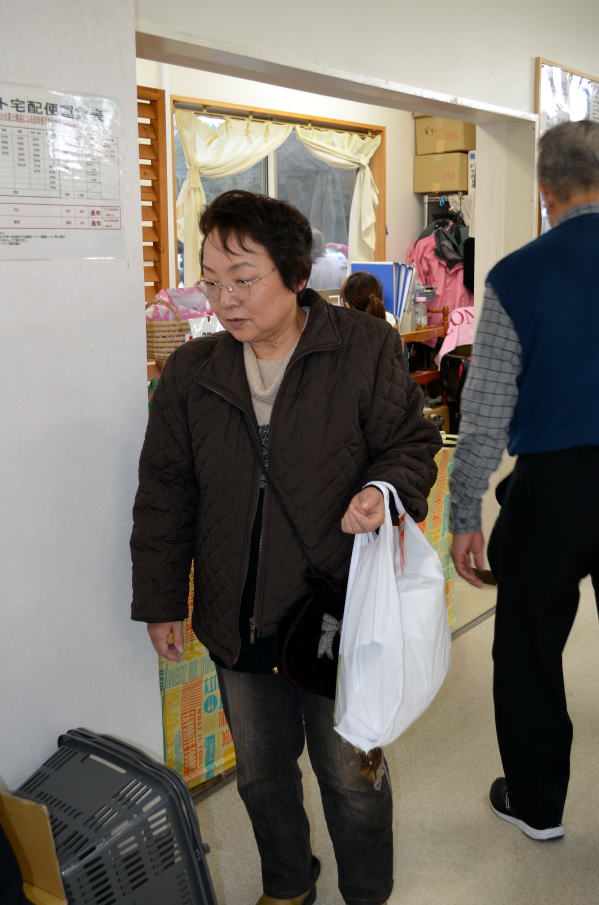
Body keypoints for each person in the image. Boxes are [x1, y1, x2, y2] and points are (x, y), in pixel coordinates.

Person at [131, 189, 441, 905]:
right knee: (262, 775)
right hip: (235, 612)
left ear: (297, 274)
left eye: (243, 279)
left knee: (351, 774)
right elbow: (165, 493)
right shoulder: (193, 372)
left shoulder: (360, 347)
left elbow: (410, 444)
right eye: (212, 281)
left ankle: (366, 891)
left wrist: (385, 490)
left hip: (338, 607)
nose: (225, 300)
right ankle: (288, 884)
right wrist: (160, 599)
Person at [449, 120, 599, 842]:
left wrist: (463, 513)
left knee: (528, 649)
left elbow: (483, 412)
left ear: (545, 193)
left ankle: (537, 804)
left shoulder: (515, 275)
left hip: (552, 490)